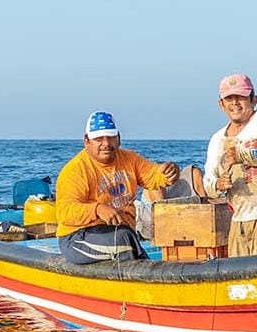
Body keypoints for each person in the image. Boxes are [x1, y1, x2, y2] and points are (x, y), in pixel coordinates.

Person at [55, 111, 179, 264]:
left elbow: (153, 176)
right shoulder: (76, 170)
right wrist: (97, 209)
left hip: (120, 231)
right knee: (123, 238)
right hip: (76, 238)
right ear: (87, 141)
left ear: (119, 138)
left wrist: (168, 173)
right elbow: (64, 212)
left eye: (111, 137)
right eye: (99, 139)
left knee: (125, 236)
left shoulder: (129, 159)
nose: (106, 143)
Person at [203, 73, 257, 256]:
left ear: (254, 100)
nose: (235, 103)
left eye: (241, 97)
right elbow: (209, 180)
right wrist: (217, 185)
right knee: (239, 279)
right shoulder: (217, 139)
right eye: (229, 98)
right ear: (221, 104)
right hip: (238, 220)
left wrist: (242, 155)